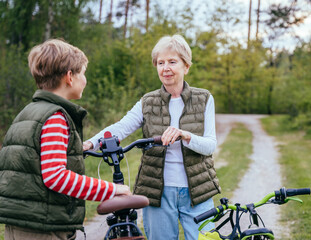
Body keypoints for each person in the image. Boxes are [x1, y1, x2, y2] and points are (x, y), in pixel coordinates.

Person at [83, 34, 221, 240]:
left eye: (172, 62)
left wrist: (184, 134)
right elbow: (121, 127)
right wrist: (91, 142)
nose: (165, 68)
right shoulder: (148, 102)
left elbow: (210, 146)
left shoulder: (204, 99)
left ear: (186, 66)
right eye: (160, 62)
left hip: (197, 193)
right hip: (157, 192)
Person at [0, 39, 131, 240]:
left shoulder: (27, 113)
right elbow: (56, 177)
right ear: (70, 76)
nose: (85, 79)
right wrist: (111, 190)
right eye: (83, 73)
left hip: (22, 224)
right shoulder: (55, 118)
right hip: (43, 230)